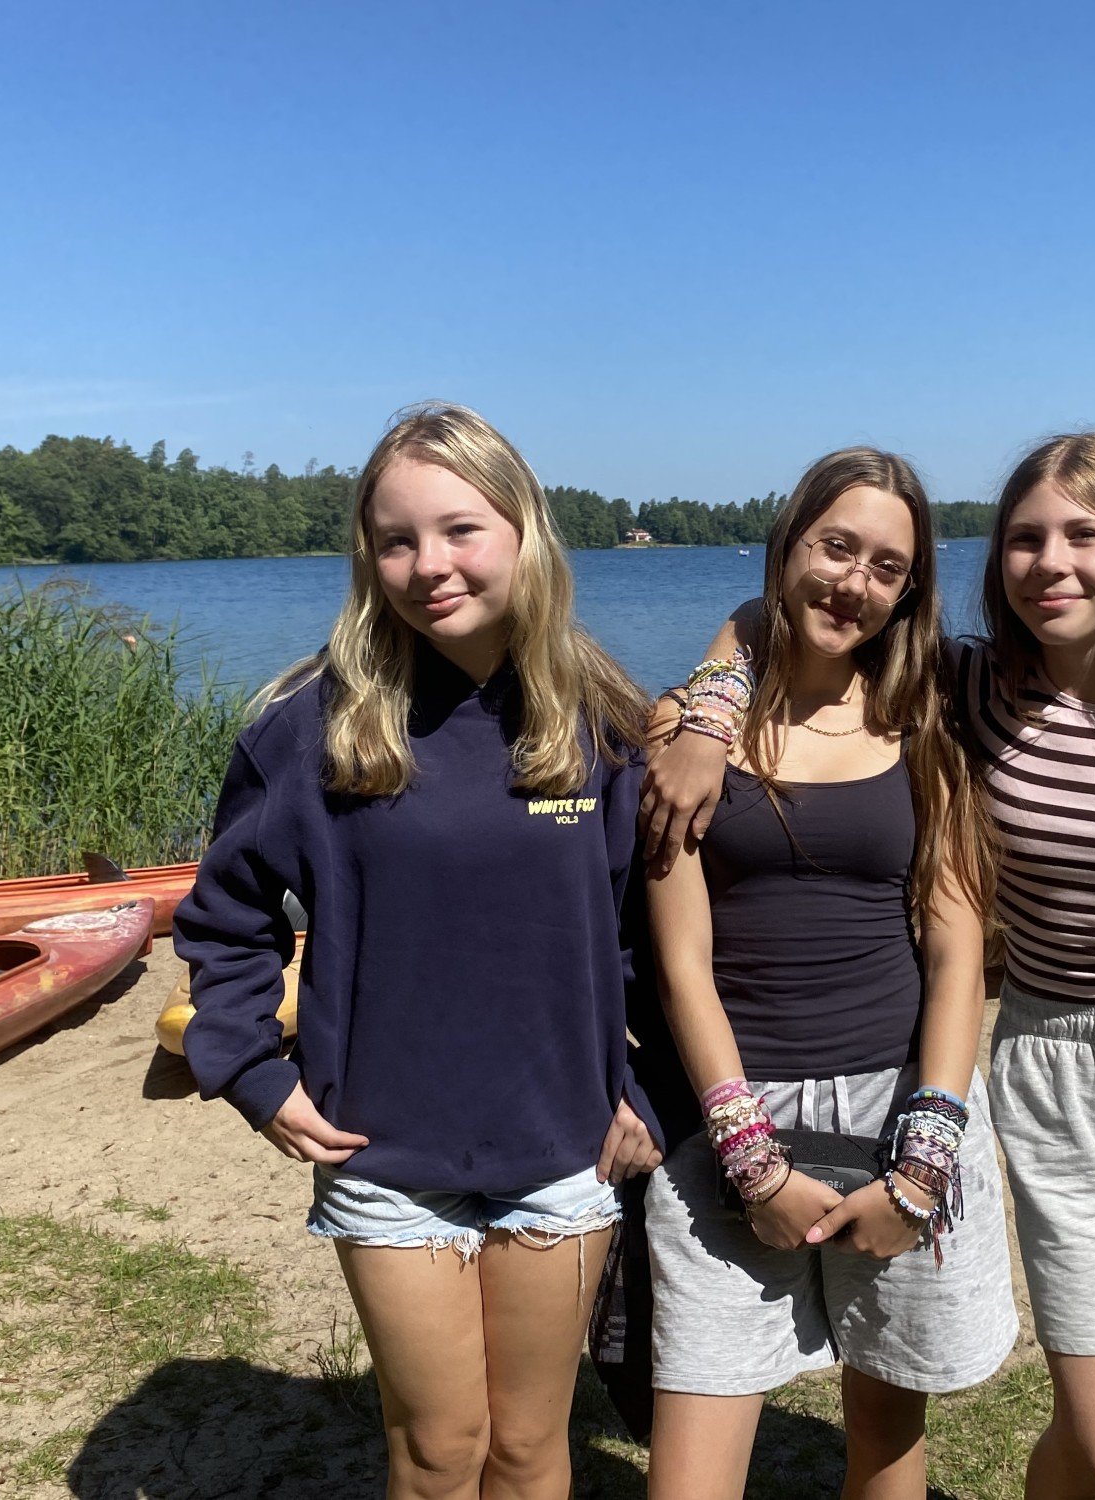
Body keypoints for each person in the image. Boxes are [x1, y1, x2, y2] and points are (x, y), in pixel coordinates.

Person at [642, 432, 1095, 1500]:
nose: (1051, 562)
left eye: (1083, 535)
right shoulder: (968, 685)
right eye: (1023, 538)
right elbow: (780, 611)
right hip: (1049, 1058)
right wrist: (710, 710)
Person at [174, 402, 664, 1500]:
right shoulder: (313, 726)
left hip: (563, 1152)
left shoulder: (601, 723)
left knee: (528, 1448)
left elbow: (651, 936)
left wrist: (651, 1087)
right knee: (440, 1450)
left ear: (524, 531)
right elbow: (227, 915)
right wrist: (250, 1069)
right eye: (396, 540)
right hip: (384, 1154)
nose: (427, 565)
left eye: (459, 530)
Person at [642, 448, 1018, 1500]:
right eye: (835, 547)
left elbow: (955, 952)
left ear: (908, 590)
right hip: (729, 1111)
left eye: (885, 567)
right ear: (787, 546)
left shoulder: (924, 726)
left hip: (899, 1110)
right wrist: (748, 1159)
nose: (853, 582)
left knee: (886, 1445)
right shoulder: (686, 733)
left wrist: (924, 1167)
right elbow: (680, 962)